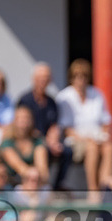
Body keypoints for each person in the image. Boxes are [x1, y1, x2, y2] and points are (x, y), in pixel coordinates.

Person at [55, 59, 112, 196]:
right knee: (92, 147)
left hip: (97, 137)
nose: (80, 79)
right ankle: (93, 190)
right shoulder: (64, 97)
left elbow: (106, 122)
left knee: (109, 147)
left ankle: (104, 188)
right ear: (72, 77)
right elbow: (66, 129)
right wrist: (86, 138)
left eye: (84, 76)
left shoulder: (97, 94)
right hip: (75, 140)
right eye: (77, 76)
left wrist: (103, 136)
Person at [17, 62, 72, 190]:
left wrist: (53, 140)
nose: (43, 81)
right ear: (34, 79)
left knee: (67, 152)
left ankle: (57, 186)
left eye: (46, 78)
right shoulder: (25, 100)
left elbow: (54, 126)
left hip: (47, 141)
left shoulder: (51, 102)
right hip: (31, 141)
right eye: (41, 78)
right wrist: (45, 141)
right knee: (43, 149)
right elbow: (24, 127)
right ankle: (42, 186)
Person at [0, 105, 49, 186]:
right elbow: (19, 167)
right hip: (12, 185)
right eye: (21, 118)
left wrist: (36, 176)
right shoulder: (7, 142)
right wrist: (32, 174)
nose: (24, 121)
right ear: (14, 120)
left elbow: (42, 168)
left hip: (35, 183)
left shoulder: (37, 141)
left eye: (26, 118)